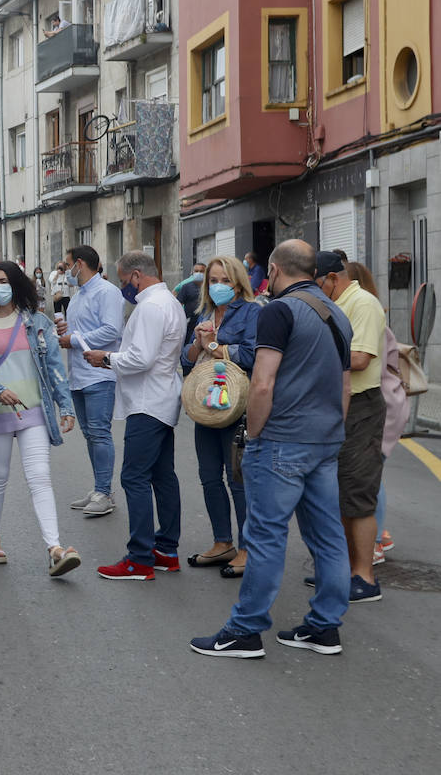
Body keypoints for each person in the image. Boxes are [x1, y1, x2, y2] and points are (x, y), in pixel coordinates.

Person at [191, 240, 353, 658]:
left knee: (264, 537)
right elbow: (346, 383)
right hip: (325, 439)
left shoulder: (279, 310)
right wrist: (335, 428)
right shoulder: (337, 313)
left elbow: (262, 382)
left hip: (282, 439)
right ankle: (324, 627)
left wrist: (257, 434)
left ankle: (244, 631)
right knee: (328, 537)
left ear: (275, 271)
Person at [0, 261, 82, 577]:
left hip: (32, 410)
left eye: (3, 280)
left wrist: (65, 406)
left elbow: (54, 368)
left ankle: (55, 549)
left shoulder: (37, 322)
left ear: (16, 284)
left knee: (39, 477)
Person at [84, 252, 185, 581]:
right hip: (160, 398)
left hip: (147, 402)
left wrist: (106, 359)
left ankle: (140, 558)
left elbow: (140, 358)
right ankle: (166, 549)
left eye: (124, 281)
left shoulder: (151, 307)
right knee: (162, 476)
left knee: (134, 478)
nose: (123, 287)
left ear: (137, 276)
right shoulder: (169, 302)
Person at [180, 256, 260, 578]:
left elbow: (253, 354)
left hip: (236, 406)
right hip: (206, 406)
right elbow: (187, 361)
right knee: (209, 476)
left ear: (238, 283)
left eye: (225, 280)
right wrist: (198, 343)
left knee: (237, 479)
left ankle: (246, 548)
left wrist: (213, 343)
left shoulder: (253, 312)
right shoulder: (204, 313)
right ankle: (222, 542)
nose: (218, 287)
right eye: (212, 280)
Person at [314, 250, 386, 603]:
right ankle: (341, 570)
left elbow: (360, 358)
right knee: (339, 493)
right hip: (338, 404)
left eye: (317, 284)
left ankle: (365, 576)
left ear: (332, 278)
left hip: (362, 406)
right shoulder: (338, 302)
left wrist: (313, 353)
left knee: (358, 493)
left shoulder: (364, 303)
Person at [55, 246, 124, 517]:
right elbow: (81, 331)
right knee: (90, 435)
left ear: (80, 264)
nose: (67, 270)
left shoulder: (108, 292)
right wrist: (66, 332)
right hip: (79, 375)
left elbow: (111, 330)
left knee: (99, 433)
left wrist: (72, 339)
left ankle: (104, 492)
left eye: (68, 264)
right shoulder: (78, 295)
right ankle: (100, 488)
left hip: (100, 374)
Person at [345, 262, 402, 563]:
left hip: (381, 401)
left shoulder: (366, 313)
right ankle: (381, 536)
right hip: (384, 399)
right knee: (369, 476)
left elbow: (361, 360)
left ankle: (375, 543)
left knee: (367, 478)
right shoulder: (364, 311)